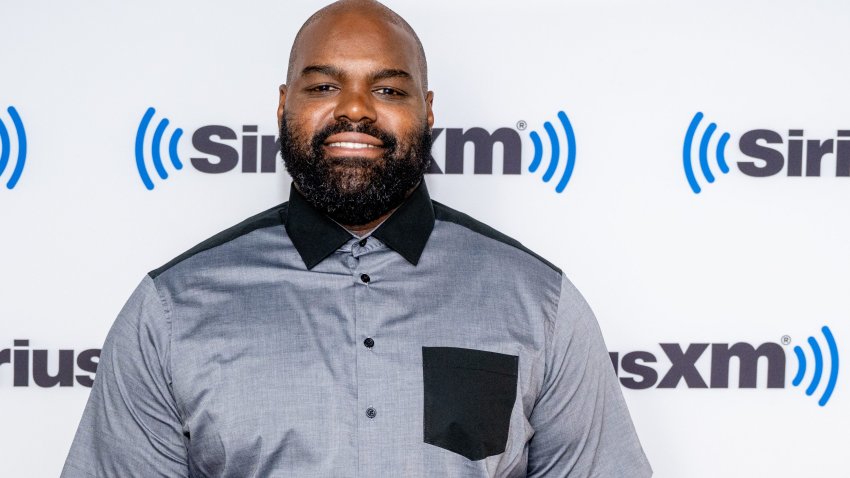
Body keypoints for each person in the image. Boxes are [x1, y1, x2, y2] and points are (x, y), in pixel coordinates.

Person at [61, 1, 652, 476]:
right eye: (322, 87)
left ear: (427, 111)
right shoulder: (171, 309)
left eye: (389, 90)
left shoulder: (538, 302)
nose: (355, 110)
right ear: (282, 105)